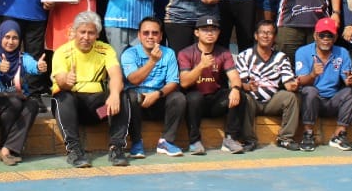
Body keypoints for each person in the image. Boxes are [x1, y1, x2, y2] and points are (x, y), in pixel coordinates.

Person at [50, 11, 129, 168]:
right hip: (74, 112)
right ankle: (74, 151)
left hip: (99, 113)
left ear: (97, 35)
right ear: (74, 32)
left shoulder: (106, 50)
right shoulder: (61, 52)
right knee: (63, 97)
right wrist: (66, 81)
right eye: (82, 32)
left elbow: (115, 75)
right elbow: (59, 79)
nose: (86, 37)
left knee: (122, 94)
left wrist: (114, 94)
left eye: (91, 33)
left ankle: (116, 148)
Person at [177, 15, 248, 155]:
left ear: (219, 33)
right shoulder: (185, 53)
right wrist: (201, 66)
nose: (210, 33)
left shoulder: (224, 53)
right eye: (205, 30)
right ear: (197, 32)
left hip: (215, 100)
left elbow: (234, 76)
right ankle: (194, 142)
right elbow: (184, 82)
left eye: (213, 29)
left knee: (240, 95)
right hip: (195, 102)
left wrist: (235, 89)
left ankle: (230, 139)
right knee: (194, 97)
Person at [0, 20, 45, 165]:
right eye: (7, 37)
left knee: (33, 105)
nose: (11, 41)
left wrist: (39, 66)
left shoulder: (23, 58)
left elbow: (32, 65)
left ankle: (6, 149)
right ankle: (4, 147)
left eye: (15, 38)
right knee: (15, 104)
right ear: (0, 37)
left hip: (15, 102)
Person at [120, 17, 185, 158]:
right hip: (137, 103)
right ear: (139, 35)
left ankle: (166, 142)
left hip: (158, 99)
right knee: (130, 96)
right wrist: (152, 61)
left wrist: (158, 94)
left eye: (155, 33)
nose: (150, 36)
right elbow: (134, 79)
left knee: (178, 97)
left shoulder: (169, 53)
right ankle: (137, 143)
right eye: (146, 33)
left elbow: (173, 82)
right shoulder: (129, 54)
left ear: (161, 36)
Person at [294, 17, 352, 152]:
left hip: (333, 99)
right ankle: (308, 134)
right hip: (312, 101)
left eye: (329, 35)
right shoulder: (303, 52)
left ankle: (339, 135)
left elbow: (347, 79)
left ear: (335, 37)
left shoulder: (342, 52)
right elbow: (300, 81)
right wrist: (312, 75)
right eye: (322, 35)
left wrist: (351, 80)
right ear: (315, 36)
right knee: (309, 91)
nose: (325, 38)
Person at [236, 20, 300, 150]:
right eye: (262, 32)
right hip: (252, 99)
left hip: (272, 100)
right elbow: (240, 83)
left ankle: (285, 138)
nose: (266, 36)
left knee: (290, 97)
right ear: (256, 36)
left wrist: (294, 85)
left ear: (275, 37)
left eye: (270, 33)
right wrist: (248, 86)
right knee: (244, 98)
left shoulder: (281, 57)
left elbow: (288, 83)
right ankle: (249, 140)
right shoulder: (244, 56)